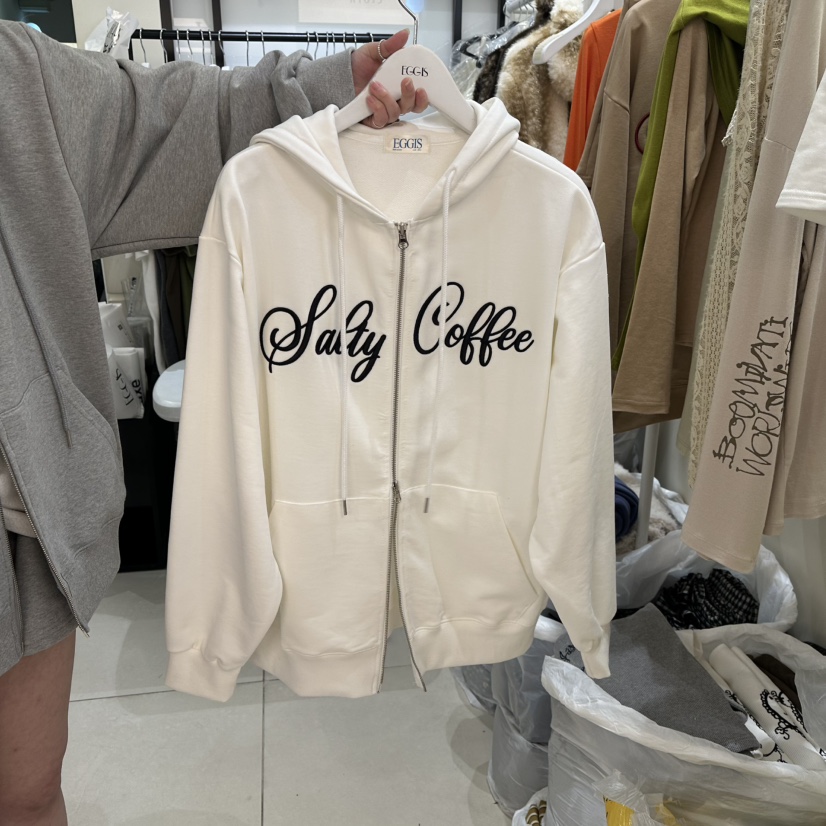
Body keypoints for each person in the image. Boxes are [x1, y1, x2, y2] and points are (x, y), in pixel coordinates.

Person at [0, 21, 427, 825]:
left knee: (25, 797)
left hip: (20, 526)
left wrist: (328, 90)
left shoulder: (13, 80)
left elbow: (169, 123)